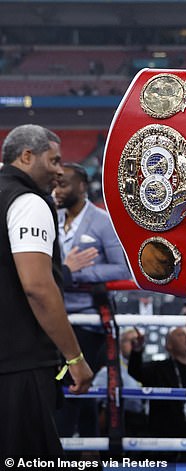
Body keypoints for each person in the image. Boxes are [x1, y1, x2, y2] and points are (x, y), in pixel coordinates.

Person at [0, 124, 93, 456]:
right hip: (20, 364)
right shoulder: (29, 202)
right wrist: (75, 357)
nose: (59, 171)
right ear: (27, 156)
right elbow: (38, 287)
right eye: (53, 160)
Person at [53, 161, 130, 437]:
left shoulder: (103, 221)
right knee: (69, 395)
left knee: (67, 391)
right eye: (55, 183)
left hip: (87, 323)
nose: (57, 189)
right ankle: (83, 453)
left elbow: (123, 269)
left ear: (83, 186)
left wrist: (78, 272)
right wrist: (65, 269)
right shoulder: (51, 216)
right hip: (53, 318)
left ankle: (62, 451)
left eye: (63, 184)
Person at [128, 326, 186, 440]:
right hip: (165, 436)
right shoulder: (158, 368)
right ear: (169, 345)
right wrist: (137, 350)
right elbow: (135, 371)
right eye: (181, 335)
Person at [92, 327, 147, 436]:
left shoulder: (147, 368)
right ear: (119, 344)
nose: (134, 343)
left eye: (137, 340)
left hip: (143, 423)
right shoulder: (108, 371)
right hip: (119, 422)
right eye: (129, 340)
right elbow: (94, 401)